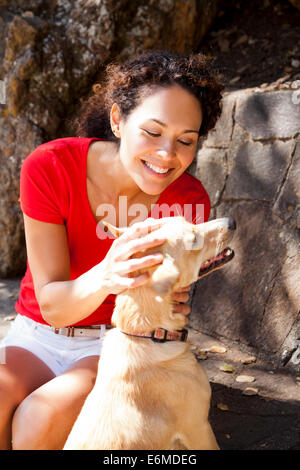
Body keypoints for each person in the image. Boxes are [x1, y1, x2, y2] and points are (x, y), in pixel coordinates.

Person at [0, 50, 223, 450]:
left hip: (117, 343)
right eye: (153, 132)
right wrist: (108, 272)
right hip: (36, 334)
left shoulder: (188, 201)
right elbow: (52, 303)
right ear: (118, 120)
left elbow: (165, 300)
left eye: (185, 141)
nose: (167, 154)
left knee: (37, 419)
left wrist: (172, 299)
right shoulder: (49, 166)